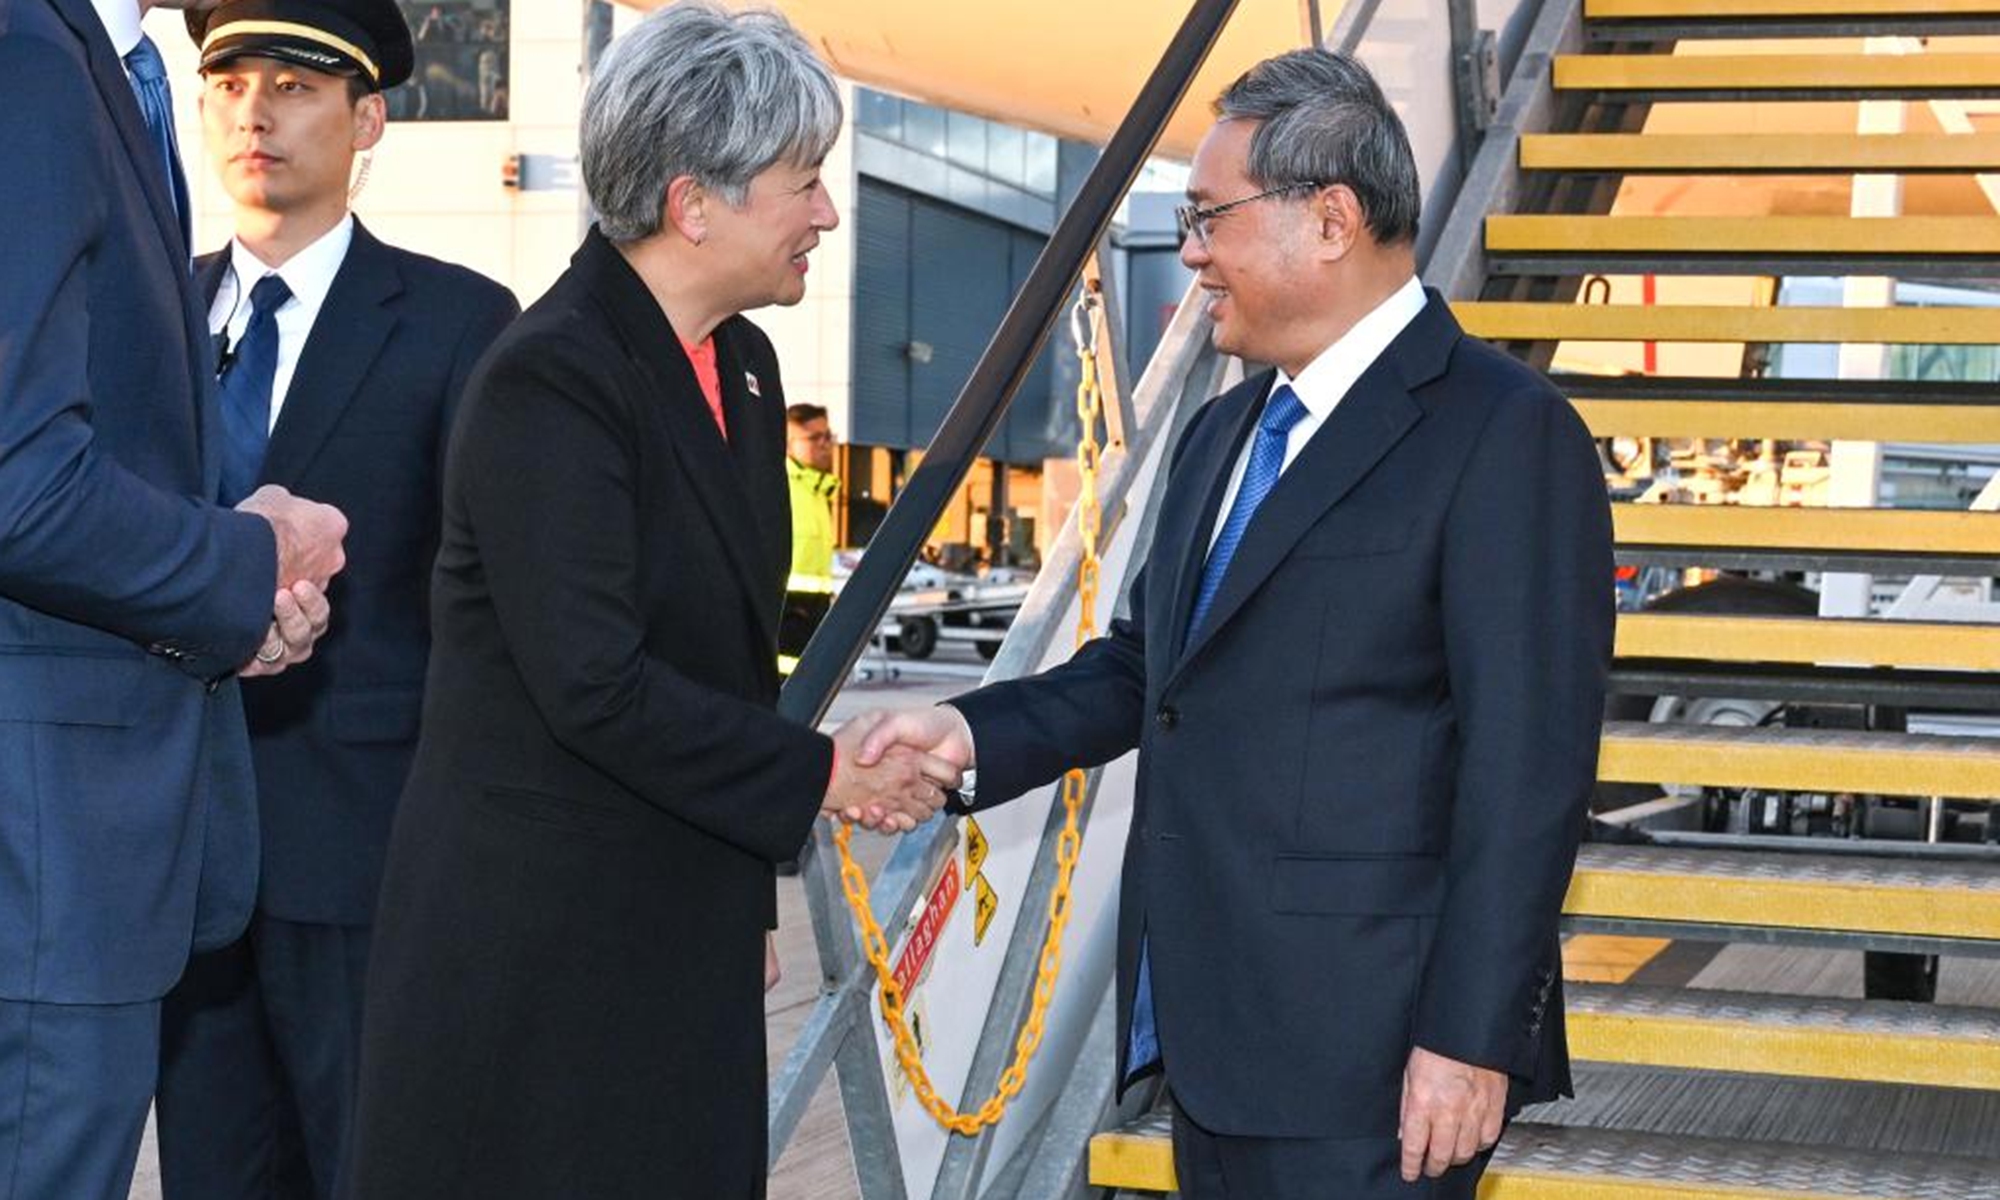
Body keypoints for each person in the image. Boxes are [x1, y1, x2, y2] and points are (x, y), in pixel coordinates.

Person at [855, 49, 1614, 1200]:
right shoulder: (1221, 434)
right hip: (1210, 1041)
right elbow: (1145, 668)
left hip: (1376, 1061)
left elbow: (1527, 772)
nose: (1190, 250)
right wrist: (967, 735)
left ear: (1330, 220)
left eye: (1208, 216)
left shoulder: (1503, 433)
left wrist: (1469, 1039)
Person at [340, 7, 948, 1198]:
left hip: (676, 916)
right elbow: (595, 684)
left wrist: (742, 897)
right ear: (692, 205)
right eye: (803, 183)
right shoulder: (550, 379)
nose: (826, 213)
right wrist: (823, 775)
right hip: (539, 953)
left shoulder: (745, 366)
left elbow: (723, 661)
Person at [152, 4, 521, 1198]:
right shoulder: (143, 315)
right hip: (171, 851)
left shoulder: (461, 323)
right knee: (209, 1173)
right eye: (229, 84)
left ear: (367, 121)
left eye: (295, 86)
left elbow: (491, 608)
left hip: (370, 856)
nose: (254, 113)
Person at [0, 1, 348, 1198]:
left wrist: (230, 588)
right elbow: (18, 481)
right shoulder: (33, 58)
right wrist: (244, 565)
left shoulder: (101, 64)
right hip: (44, 854)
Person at [780, 402, 839, 676]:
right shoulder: (781, 487)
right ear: (789, 444)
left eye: (828, 436)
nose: (825, 444)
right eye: (815, 438)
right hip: (786, 613)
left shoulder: (817, 491)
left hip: (815, 613)